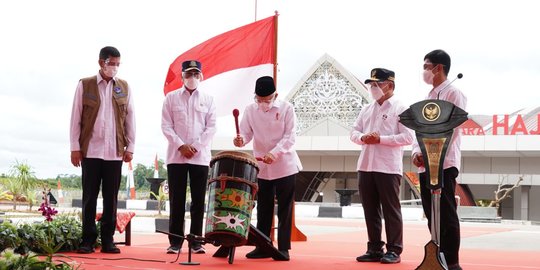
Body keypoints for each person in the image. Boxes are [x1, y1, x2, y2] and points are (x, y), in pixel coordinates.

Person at [70, 46, 136, 254]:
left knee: (111, 198)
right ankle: (87, 240)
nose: (115, 67)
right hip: (90, 150)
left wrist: (130, 147)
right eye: (112, 63)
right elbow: (75, 117)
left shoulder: (124, 87)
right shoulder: (85, 84)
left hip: (115, 151)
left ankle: (107, 239)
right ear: (101, 62)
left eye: (118, 64)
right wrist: (74, 148)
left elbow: (131, 118)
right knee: (89, 197)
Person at [233, 76, 302, 261]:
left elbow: (290, 137)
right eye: (259, 100)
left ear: (275, 95)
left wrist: (275, 152)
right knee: (263, 207)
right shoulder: (250, 110)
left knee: (285, 209)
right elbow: (246, 133)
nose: (263, 103)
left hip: (284, 165)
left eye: (267, 100)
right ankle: (262, 246)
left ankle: (284, 247)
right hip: (262, 166)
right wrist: (241, 140)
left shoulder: (287, 108)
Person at [350, 68, 414, 264]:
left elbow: (408, 137)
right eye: (371, 85)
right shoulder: (367, 109)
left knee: (390, 209)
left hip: (387, 167)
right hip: (366, 165)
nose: (373, 88)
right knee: (370, 209)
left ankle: (394, 249)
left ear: (390, 85)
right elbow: (353, 132)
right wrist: (363, 137)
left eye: (378, 84)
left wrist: (381, 139)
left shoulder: (401, 108)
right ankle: (375, 247)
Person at [412, 49, 467, 270]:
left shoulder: (454, 94)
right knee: (430, 213)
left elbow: (454, 128)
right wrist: (417, 151)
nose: (424, 71)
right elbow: (419, 128)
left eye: (426, 66)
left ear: (438, 68)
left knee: (445, 213)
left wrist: (434, 153)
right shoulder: (427, 98)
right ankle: (436, 257)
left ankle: (451, 262)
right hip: (426, 164)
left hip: (444, 163)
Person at [161, 60, 216, 254]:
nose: (192, 78)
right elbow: (166, 126)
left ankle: (196, 241)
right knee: (177, 200)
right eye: (188, 74)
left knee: (198, 201)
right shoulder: (171, 98)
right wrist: (181, 146)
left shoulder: (208, 99)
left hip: (200, 158)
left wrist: (195, 147)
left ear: (201, 76)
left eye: (195, 74)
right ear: (182, 76)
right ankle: (175, 241)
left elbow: (211, 128)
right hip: (176, 157)